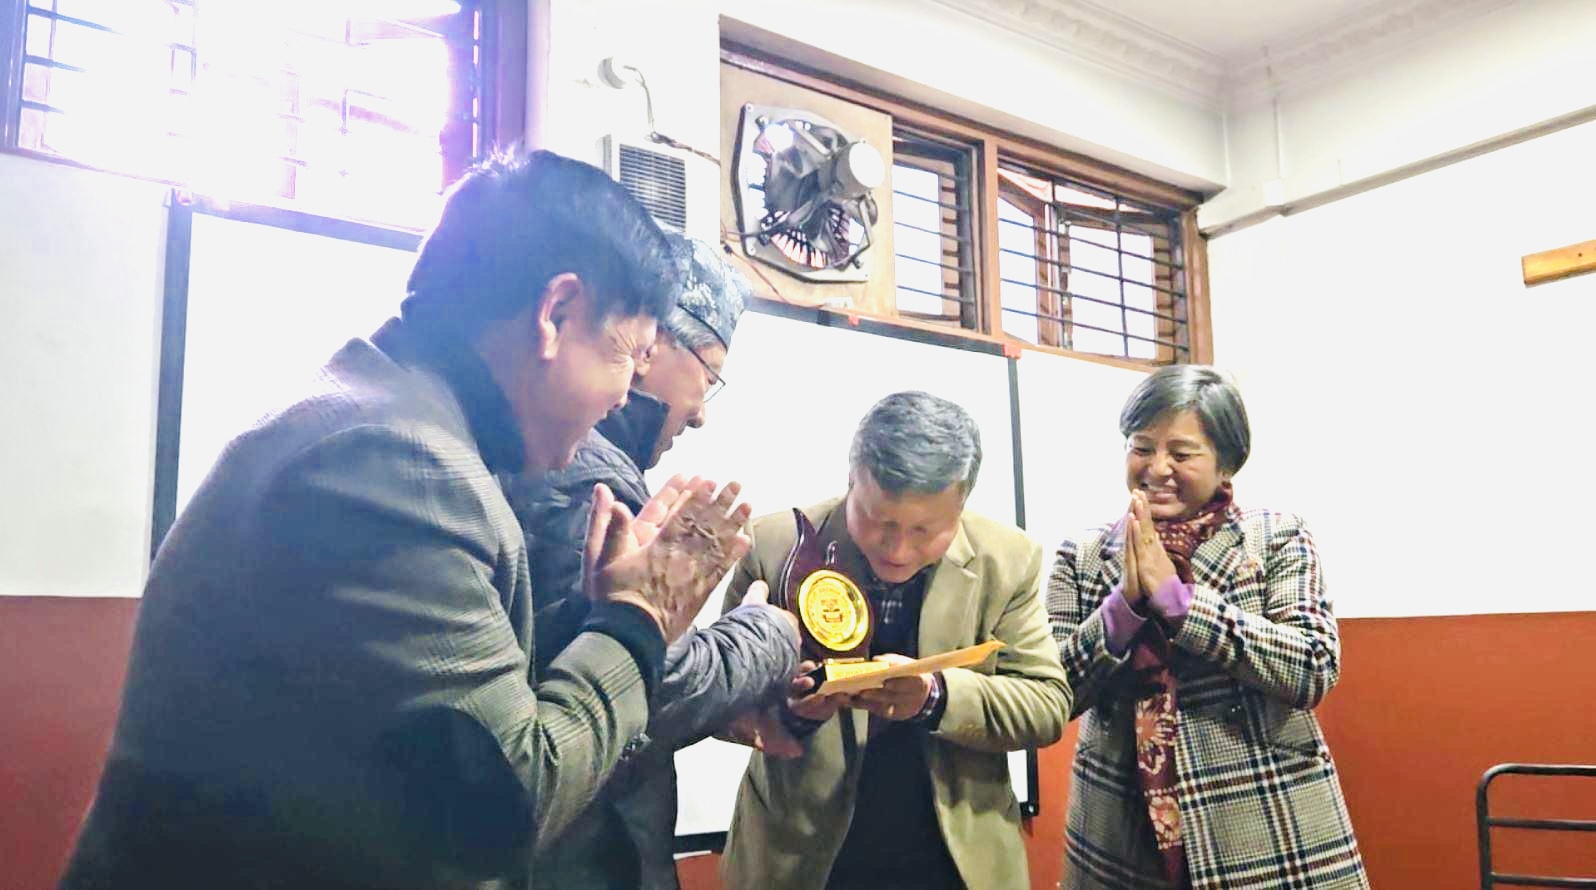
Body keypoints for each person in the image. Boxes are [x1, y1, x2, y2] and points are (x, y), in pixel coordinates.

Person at [61, 150, 755, 890]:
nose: (623, 397)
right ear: (556, 314)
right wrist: (638, 618)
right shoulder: (401, 464)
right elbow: (505, 807)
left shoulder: (382, 411)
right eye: (629, 354)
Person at [503, 233, 800, 889]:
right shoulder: (586, 476)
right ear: (649, 343)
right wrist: (768, 633)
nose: (699, 414)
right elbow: (647, 684)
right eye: (708, 378)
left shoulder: (560, 451)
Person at [717, 391, 1071, 890]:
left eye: (925, 531)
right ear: (851, 480)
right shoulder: (773, 546)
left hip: (954, 858)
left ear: (961, 506)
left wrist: (935, 697)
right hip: (799, 855)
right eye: (879, 522)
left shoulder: (1008, 559)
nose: (899, 550)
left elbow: (1046, 705)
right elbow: (719, 703)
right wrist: (791, 711)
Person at [1047, 365, 1367, 889]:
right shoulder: (1082, 553)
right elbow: (1051, 693)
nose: (1157, 468)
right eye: (1141, 447)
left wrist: (1182, 606)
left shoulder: (1275, 535)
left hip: (1264, 824)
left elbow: (1313, 668)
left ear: (1226, 463)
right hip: (1117, 833)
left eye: (1182, 453)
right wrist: (1122, 609)